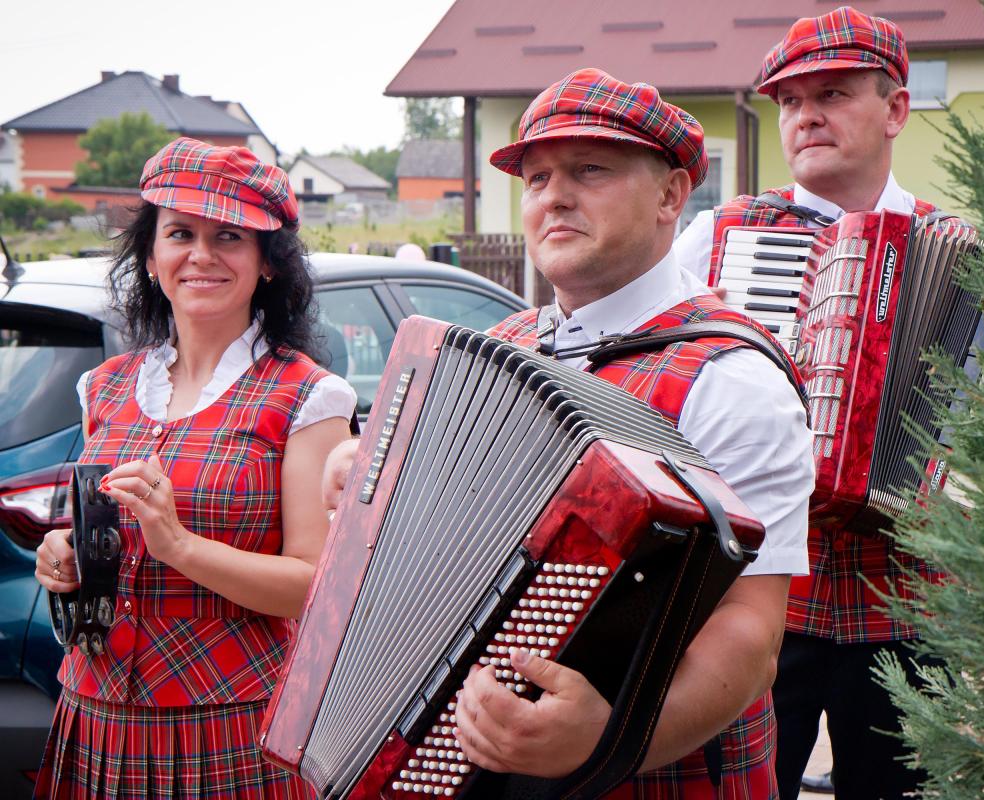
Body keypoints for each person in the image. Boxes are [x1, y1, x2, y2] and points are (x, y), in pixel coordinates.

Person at [322, 68, 814, 797]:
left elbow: (751, 630)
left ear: (671, 195)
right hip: (473, 761)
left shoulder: (733, 377)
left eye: (591, 169)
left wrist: (612, 737)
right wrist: (358, 472)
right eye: (538, 175)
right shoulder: (501, 347)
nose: (555, 195)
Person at [673, 7, 943, 799]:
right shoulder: (721, 238)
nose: (806, 116)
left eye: (833, 93)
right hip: (756, 591)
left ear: (894, 109)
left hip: (904, 598)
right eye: (789, 101)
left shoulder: (951, 249)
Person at [32, 137, 355, 799]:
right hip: (92, 715)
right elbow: (101, 538)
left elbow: (314, 589)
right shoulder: (105, 386)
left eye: (229, 235)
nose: (202, 256)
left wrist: (178, 546)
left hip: (229, 724)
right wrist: (64, 558)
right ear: (151, 258)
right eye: (180, 233)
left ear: (268, 263)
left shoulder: (308, 396)